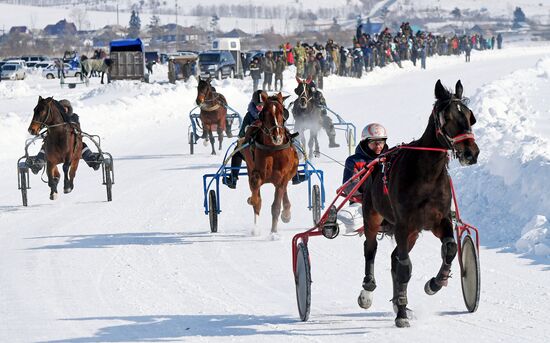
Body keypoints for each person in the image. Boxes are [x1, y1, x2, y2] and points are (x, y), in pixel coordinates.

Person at [25, 100, 102, 174]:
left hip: (71, 143)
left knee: (82, 145)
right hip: (56, 144)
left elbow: (77, 126)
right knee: (45, 146)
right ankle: (37, 165)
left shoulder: (73, 116)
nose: (64, 109)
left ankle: (93, 161)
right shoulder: (54, 120)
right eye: (62, 107)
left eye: (66, 107)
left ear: (69, 109)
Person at [337, 123, 388, 232]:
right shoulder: (354, 161)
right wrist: (370, 193)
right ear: (365, 143)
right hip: (362, 203)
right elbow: (349, 186)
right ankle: (334, 226)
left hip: (388, 202)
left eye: (381, 142)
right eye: (374, 142)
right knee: (353, 216)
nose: (379, 146)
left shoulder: (390, 158)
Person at [302, 80, 339, 148]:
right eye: (309, 88)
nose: (312, 90)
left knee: (328, 122)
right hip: (308, 117)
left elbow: (324, 106)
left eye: (313, 88)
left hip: (320, 115)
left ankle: (332, 141)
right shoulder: (304, 95)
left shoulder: (318, 94)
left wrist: (319, 105)